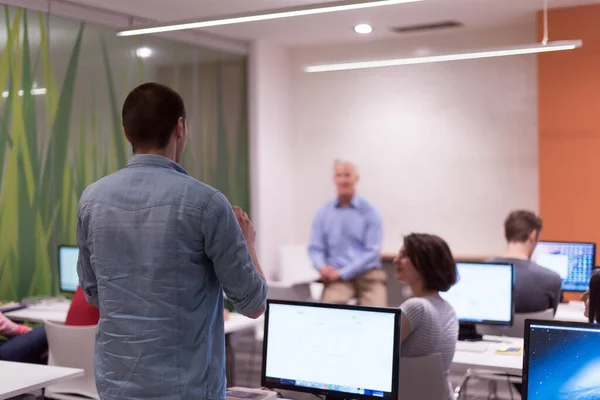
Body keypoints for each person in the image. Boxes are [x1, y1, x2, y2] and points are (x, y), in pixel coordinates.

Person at [77, 82, 267, 400]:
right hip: (186, 391)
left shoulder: (91, 200)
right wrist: (248, 245)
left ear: (127, 134)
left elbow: (94, 294)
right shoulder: (207, 203)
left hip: (115, 388)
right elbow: (253, 304)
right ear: (180, 128)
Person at [308, 160, 386, 306]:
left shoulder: (370, 212)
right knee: (329, 312)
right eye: (339, 175)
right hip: (337, 279)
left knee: (378, 315)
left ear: (356, 179)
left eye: (347, 175)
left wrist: (343, 272)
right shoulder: (323, 213)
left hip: (368, 276)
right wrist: (322, 268)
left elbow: (372, 251)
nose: (343, 180)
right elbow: (315, 248)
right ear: (334, 179)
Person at [393, 233, 458, 400]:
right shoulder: (448, 309)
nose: (395, 260)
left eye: (404, 255)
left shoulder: (416, 308)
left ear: (423, 263)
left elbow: (377, 354)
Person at [489, 210, 562, 313]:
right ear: (533, 235)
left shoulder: (480, 271)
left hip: (485, 330)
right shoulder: (552, 279)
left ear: (505, 235)